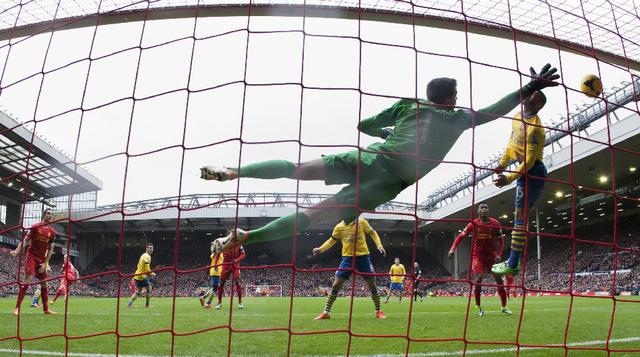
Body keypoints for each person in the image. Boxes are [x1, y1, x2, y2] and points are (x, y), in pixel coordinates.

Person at [202, 65, 559, 254]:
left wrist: (386, 134)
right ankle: (246, 236)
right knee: (313, 215)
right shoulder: (458, 117)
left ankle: (233, 171)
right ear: (451, 98)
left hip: (371, 157)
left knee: (297, 170)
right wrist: (529, 88)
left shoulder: (408, 105)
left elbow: (364, 124)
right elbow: (492, 112)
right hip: (385, 182)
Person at [492, 90, 549, 276]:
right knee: (519, 217)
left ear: (539, 105)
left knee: (520, 218)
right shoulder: (517, 117)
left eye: (534, 96)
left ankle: (513, 263)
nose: (528, 95)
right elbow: (511, 146)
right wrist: (501, 165)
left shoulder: (536, 129)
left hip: (533, 172)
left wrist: (508, 178)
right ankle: (513, 262)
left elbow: (530, 162)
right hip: (523, 171)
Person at [313, 218, 386, 320]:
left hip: (364, 257)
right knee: (336, 284)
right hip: (348, 259)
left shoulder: (362, 222)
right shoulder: (339, 227)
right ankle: (326, 312)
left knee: (372, 285)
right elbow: (331, 241)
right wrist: (320, 249)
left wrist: (379, 246)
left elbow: (373, 233)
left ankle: (378, 311)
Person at [448, 202, 510, 316]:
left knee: (500, 281)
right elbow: (460, 236)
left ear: (488, 210)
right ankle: (479, 308)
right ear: (478, 211)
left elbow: (501, 240)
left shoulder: (495, 223)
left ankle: (504, 307)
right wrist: (452, 249)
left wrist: (499, 254)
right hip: (478, 256)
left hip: (492, 256)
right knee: (478, 280)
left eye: (486, 208)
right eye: (482, 208)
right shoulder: (473, 224)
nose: (484, 210)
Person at [10, 208, 57, 315]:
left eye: (52, 214)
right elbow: (25, 241)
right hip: (31, 257)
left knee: (44, 284)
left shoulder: (52, 232)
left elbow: (50, 249)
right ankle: (17, 308)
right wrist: (16, 251)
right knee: (28, 280)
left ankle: (45, 309)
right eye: (49, 213)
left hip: (41, 260)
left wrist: (45, 263)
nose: (50, 216)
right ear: (44, 215)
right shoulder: (36, 227)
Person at [216, 243, 245, 310]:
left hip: (235, 264)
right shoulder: (223, 243)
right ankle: (219, 302)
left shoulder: (239, 243)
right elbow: (218, 253)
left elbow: (243, 254)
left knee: (237, 282)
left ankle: (240, 302)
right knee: (221, 283)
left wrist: (236, 260)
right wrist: (215, 264)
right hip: (226, 264)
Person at [128, 243, 155, 308]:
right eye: (150, 248)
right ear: (146, 249)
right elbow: (147, 269)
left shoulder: (143, 255)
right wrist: (152, 273)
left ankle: (129, 304)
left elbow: (139, 266)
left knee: (139, 291)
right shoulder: (147, 256)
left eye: (152, 248)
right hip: (141, 276)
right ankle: (147, 305)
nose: (151, 249)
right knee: (149, 289)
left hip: (137, 275)